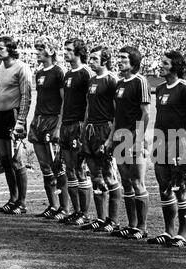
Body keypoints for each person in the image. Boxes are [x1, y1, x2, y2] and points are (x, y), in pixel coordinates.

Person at [147, 50, 186, 247]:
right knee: (164, 186)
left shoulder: (185, 88)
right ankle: (169, 231)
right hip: (161, 140)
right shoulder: (159, 89)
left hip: (179, 141)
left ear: (175, 66)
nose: (160, 65)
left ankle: (183, 234)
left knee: (181, 186)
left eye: (165, 63)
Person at [109, 46, 151, 240]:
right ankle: (131, 224)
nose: (120, 61)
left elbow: (146, 113)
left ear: (134, 62)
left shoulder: (140, 81)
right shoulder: (119, 84)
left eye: (124, 58)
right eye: (119, 58)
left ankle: (141, 227)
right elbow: (116, 115)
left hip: (133, 137)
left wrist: (139, 140)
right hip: (120, 136)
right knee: (126, 181)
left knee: (137, 182)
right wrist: (111, 138)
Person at [79, 45, 122, 232]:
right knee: (95, 176)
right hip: (90, 130)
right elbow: (88, 107)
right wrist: (83, 133)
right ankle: (100, 218)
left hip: (105, 129)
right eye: (91, 58)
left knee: (110, 176)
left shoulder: (112, 80)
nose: (91, 62)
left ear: (105, 60)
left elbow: (117, 111)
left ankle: (113, 220)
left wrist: (110, 138)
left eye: (95, 59)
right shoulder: (91, 80)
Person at [0, 36, 32, 215]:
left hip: (13, 116)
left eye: (0, 48)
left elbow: (26, 96)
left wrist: (21, 121)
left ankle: (21, 202)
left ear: (10, 49)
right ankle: (12, 198)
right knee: (4, 159)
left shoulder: (22, 68)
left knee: (16, 160)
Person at [30, 36, 70, 219]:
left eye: (40, 48)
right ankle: (53, 206)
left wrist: (58, 126)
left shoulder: (59, 71)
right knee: (44, 167)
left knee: (57, 166)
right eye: (36, 48)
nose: (36, 51)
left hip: (53, 121)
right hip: (38, 121)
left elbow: (64, 101)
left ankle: (64, 208)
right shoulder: (38, 73)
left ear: (51, 51)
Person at [56, 38, 95, 225]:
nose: (66, 52)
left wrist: (84, 126)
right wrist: (60, 125)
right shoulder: (68, 73)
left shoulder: (86, 72)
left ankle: (85, 213)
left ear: (79, 52)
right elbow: (64, 102)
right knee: (69, 169)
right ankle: (76, 210)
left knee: (80, 169)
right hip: (66, 125)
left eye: (69, 50)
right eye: (65, 49)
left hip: (78, 124)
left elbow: (90, 102)